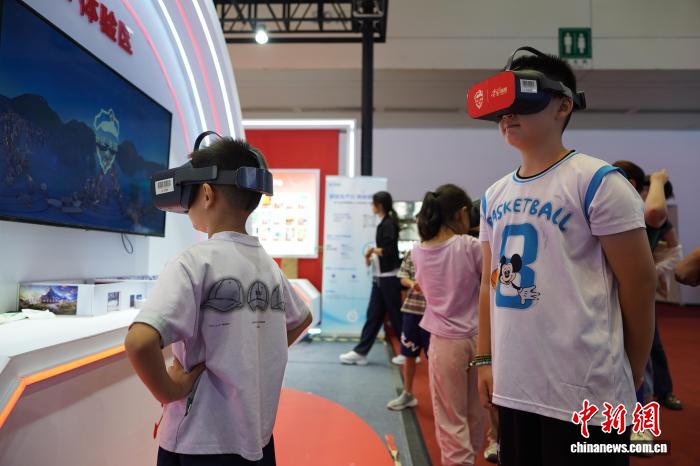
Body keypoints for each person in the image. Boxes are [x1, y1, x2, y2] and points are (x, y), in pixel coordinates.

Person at [476, 50, 656, 466]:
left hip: (587, 393)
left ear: (563, 105)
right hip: (516, 388)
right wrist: (485, 358)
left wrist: (630, 369)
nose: (508, 114)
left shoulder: (597, 182)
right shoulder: (493, 196)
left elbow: (640, 284)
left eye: (522, 100)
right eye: (502, 106)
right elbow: (489, 283)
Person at [125, 138, 312, 466]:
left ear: (207, 193)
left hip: (196, 441)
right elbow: (302, 318)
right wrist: (252, 355)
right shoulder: (268, 265)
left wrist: (169, 390)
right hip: (257, 438)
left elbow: (139, 342)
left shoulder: (193, 263)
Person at [411, 184, 485, 466]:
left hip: (444, 343)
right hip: (478, 340)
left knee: (450, 418)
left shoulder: (418, 251)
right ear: (462, 213)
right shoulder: (470, 246)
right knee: (475, 413)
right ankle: (470, 458)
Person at [614, 161, 684, 412]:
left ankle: (650, 402)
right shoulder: (614, 211)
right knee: (639, 349)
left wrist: (657, 180)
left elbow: (656, 214)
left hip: (635, 292)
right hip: (612, 292)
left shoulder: (646, 213)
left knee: (647, 349)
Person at [340, 191, 402, 365]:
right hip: (380, 278)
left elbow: (389, 251)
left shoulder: (388, 224)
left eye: (373, 204)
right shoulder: (384, 223)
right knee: (373, 316)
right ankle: (361, 352)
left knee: (395, 316)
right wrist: (372, 255)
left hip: (388, 278)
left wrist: (372, 251)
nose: (371, 207)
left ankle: (409, 352)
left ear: (379, 205)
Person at [386, 250, 429, 410]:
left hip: (435, 312)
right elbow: (402, 277)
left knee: (436, 360)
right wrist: (412, 284)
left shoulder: (445, 251)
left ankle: (442, 399)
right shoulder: (413, 252)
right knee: (408, 355)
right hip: (412, 310)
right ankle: (407, 394)